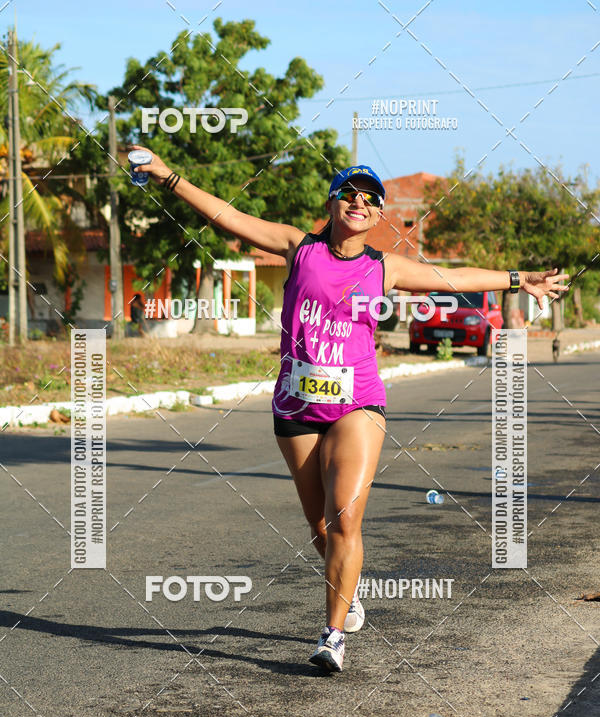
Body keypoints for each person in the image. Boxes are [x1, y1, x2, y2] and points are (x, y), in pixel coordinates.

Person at [130, 147, 569, 673]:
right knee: (319, 525)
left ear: (379, 214)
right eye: (350, 194)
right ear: (333, 202)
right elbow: (228, 216)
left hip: (357, 402)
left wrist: (522, 280)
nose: (359, 203)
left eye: (370, 199)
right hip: (295, 403)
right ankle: (349, 591)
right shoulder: (299, 247)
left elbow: (456, 278)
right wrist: (167, 175)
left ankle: (332, 635)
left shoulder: (385, 268)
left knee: (344, 517)